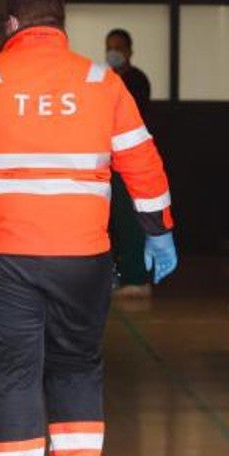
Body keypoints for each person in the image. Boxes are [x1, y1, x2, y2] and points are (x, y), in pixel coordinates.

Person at [0, 0, 177, 456]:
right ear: (62, 25)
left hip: (0, 257)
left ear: (11, 24)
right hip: (81, 257)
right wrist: (158, 229)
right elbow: (142, 161)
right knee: (76, 367)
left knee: (13, 376)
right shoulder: (101, 81)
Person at [104, 28, 154, 297]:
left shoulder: (135, 80)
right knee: (114, 221)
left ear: (129, 51)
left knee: (130, 220)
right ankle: (121, 275)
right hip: (109, 159)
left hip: (130, 160)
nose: (113, 53)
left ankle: (137, 278)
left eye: (118, 47)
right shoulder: (107, 79)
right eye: (109, 47)